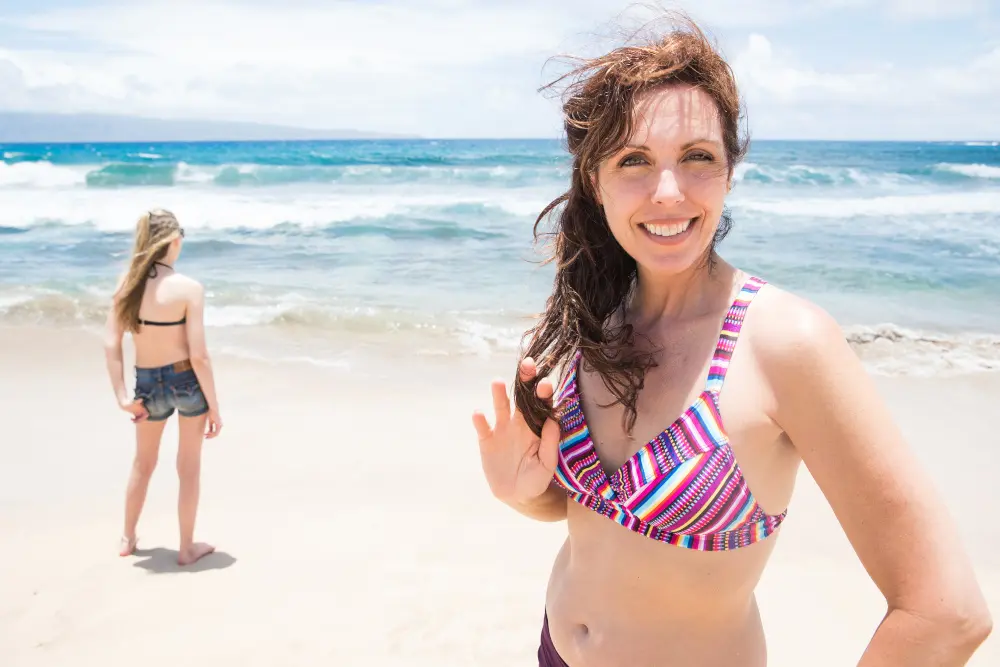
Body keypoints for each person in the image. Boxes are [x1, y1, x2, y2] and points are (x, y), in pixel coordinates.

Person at [471, 15, 991, 667]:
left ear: (728, 172)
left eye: (697, 157)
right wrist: (525, 494)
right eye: (634, 160)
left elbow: (947, 614)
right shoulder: (597, 316)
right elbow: (594, 521)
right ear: (595, 181)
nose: (668, 192)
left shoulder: (784, 343)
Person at [103, 208, 223, 566]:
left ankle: (127, 538)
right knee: (188, 467)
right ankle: (186, 548)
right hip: (186, 381)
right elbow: (199, 355)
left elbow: (111, 342)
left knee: (143, 463)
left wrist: (123, 397)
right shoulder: (189, 289)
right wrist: (214, 407)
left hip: (147, 383)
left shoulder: (127, 284)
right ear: (173, 240)